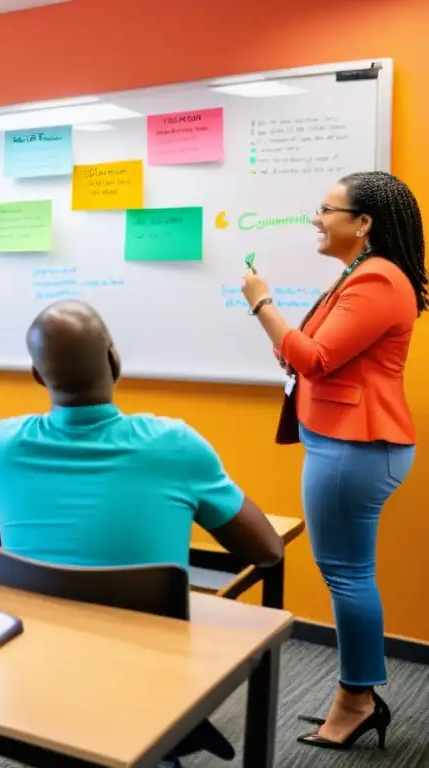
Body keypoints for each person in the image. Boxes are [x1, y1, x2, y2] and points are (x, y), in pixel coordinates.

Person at [241, 171, 426, 751]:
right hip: (340, 440)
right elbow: (306, 350)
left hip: (357, 447)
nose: (316, 220)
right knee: (345, 571)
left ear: (363, 223)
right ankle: (356, 694)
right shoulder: (361, 274)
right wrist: (288, 339)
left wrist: (262, 302)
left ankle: (356, 700)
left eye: (326, 210)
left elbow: (314, 358)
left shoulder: (378, 280)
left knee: (347, 575)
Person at [0, 299, 285, 573]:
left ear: (37, 376)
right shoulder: (174, 445)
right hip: (152, 635)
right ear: (114, 361)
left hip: (40, 633)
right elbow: (268, 552)